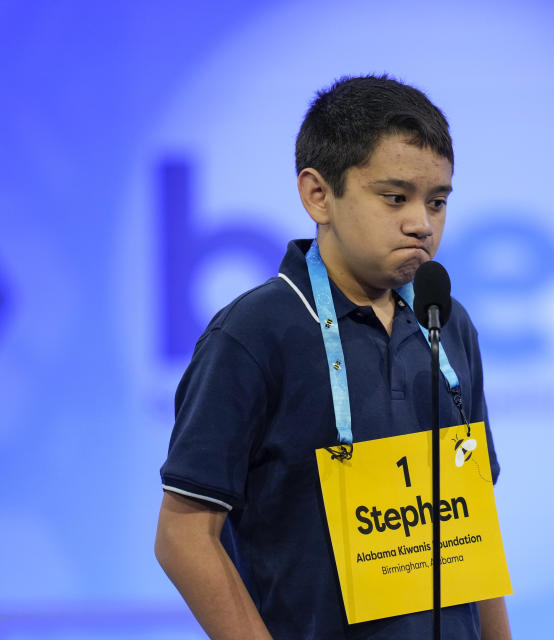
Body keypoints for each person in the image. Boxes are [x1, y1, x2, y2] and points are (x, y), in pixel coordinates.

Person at [154, 75, 511, 640]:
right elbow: (183, 535)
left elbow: (474, 526)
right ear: (319, 195)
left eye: (437, 201)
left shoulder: (448, 322)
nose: (422, 222)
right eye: (395, 197)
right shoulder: (253, 333)